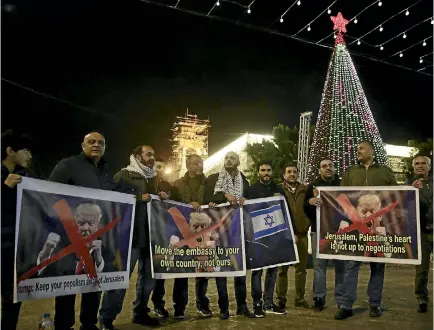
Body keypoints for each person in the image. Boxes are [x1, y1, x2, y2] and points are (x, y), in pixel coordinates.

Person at [49, 131, 117, 330]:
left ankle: (88, 323)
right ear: (83, 145)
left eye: (101, 143)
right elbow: (50, 194)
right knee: (68, 283)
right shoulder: (67, 166)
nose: (96, 145)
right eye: (91, 142)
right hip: (70, 236)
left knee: (93, 281)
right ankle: (64, 325)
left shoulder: (106, 171)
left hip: (97, 236)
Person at [99, 145, 165, 330]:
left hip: (151, 235)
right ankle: (106, 318)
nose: (152, 158)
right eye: (148, 154)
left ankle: (140, 312)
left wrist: (161, 195)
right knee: (120, 277)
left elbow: (154, 200)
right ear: (138, 156)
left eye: (153, 154)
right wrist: (137, 197)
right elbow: (113, 198)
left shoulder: (154, 177)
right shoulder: (124, 175)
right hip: (130, 235)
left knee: (148, 279)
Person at [335, 140, 397, 320]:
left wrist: (412, 189)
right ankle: (346, 305)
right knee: (351, 267)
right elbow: (340, 196)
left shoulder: (384, 171)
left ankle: (375, 304)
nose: (358, 151)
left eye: (361, 148)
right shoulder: (350, 172)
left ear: (371, 150)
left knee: (377, 266)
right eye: (357, 149)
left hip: (378, 228)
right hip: (356, 230)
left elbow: (397, 194)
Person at [204, 151, 255, 318]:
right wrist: (223, 195)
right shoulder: (213, 179)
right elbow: (206, 197)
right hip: (219, 232)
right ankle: (223, 308)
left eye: (232, 158)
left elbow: (250, 198)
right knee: (222, 270)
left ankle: (242, 306)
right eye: (226, 157)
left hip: (238, 232)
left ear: (238, 162)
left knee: (240, 271)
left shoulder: (244, 180)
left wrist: (245, 198)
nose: (229, 160)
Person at [170, 154, 211, 319]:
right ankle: (179, 307)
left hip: (203, 234)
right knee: (183, 271)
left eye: (201, 162)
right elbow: (172, 206)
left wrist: (213, 203)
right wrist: (188, 205)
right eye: (196, 163)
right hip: (184, 234)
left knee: (202, 271)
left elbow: (213, 201)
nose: (199, 165)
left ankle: (202, 305)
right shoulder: (178, 184)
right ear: (188, 166)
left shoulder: (209, 184)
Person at [1, 130, 33, 330]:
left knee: (12, 295)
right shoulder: (8, 180)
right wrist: (5, 187)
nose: (29, 156)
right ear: (10, 151)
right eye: (26, 150)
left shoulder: (24, 177)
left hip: (13, 246)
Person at [246, 161, 286, 317]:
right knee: (257, 271)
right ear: (258, 172)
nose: (266, 173)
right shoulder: (251, 190)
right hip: (257, 236)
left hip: (274, 236)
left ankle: (268, 302)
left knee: (273, 271)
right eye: (263, 170)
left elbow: (285, 210)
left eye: (268, 170)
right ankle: (257, 304)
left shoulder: (278, 189)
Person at [304, 158, 344, 312]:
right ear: (319, 169)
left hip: (339, 232)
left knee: (340, 265)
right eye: (324, 166)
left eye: (330, 166)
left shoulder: (342, 184)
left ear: (334, 168)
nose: (327, 168)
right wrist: (310, 201)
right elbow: (304, 207)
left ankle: (341, 299)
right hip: (318, 231)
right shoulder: (312, 186)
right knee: (319, 266)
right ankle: (319, 298)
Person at [37, 203, 110, 277]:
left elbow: (113, 285)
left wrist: (99, 262)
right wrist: (44, 258)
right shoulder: (61, 252)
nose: (85, 228)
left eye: (91, 223)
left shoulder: (108, 255)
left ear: (99, 228)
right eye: (80, 223)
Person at [276, 163, 311, 310]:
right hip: (284, 236)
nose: (292, 174)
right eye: (289, 171)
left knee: (301, 269)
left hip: (302, 234)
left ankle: (300, 298)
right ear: (284, 175)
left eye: (294, 172)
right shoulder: (278, 189)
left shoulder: (305, 189)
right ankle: (281, 298)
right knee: (282, 269)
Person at [410, 155, 433, 313]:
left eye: (423, 163)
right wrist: (412, 193)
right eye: (417, 163)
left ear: (429, 166)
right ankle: (421, 299)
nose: (420, 166)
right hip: (422, 232)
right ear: (413, 167)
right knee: (422, 269)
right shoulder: (408, 186)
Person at [151, 157, 173, 318]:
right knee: (144, 275)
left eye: (162, 168)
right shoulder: (145, 183)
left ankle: (158, 304)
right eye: (157, 166)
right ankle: (140, 306)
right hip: (145, 234)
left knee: (160, 271)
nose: (159, 170)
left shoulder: (168, 186)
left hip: (161, 234)